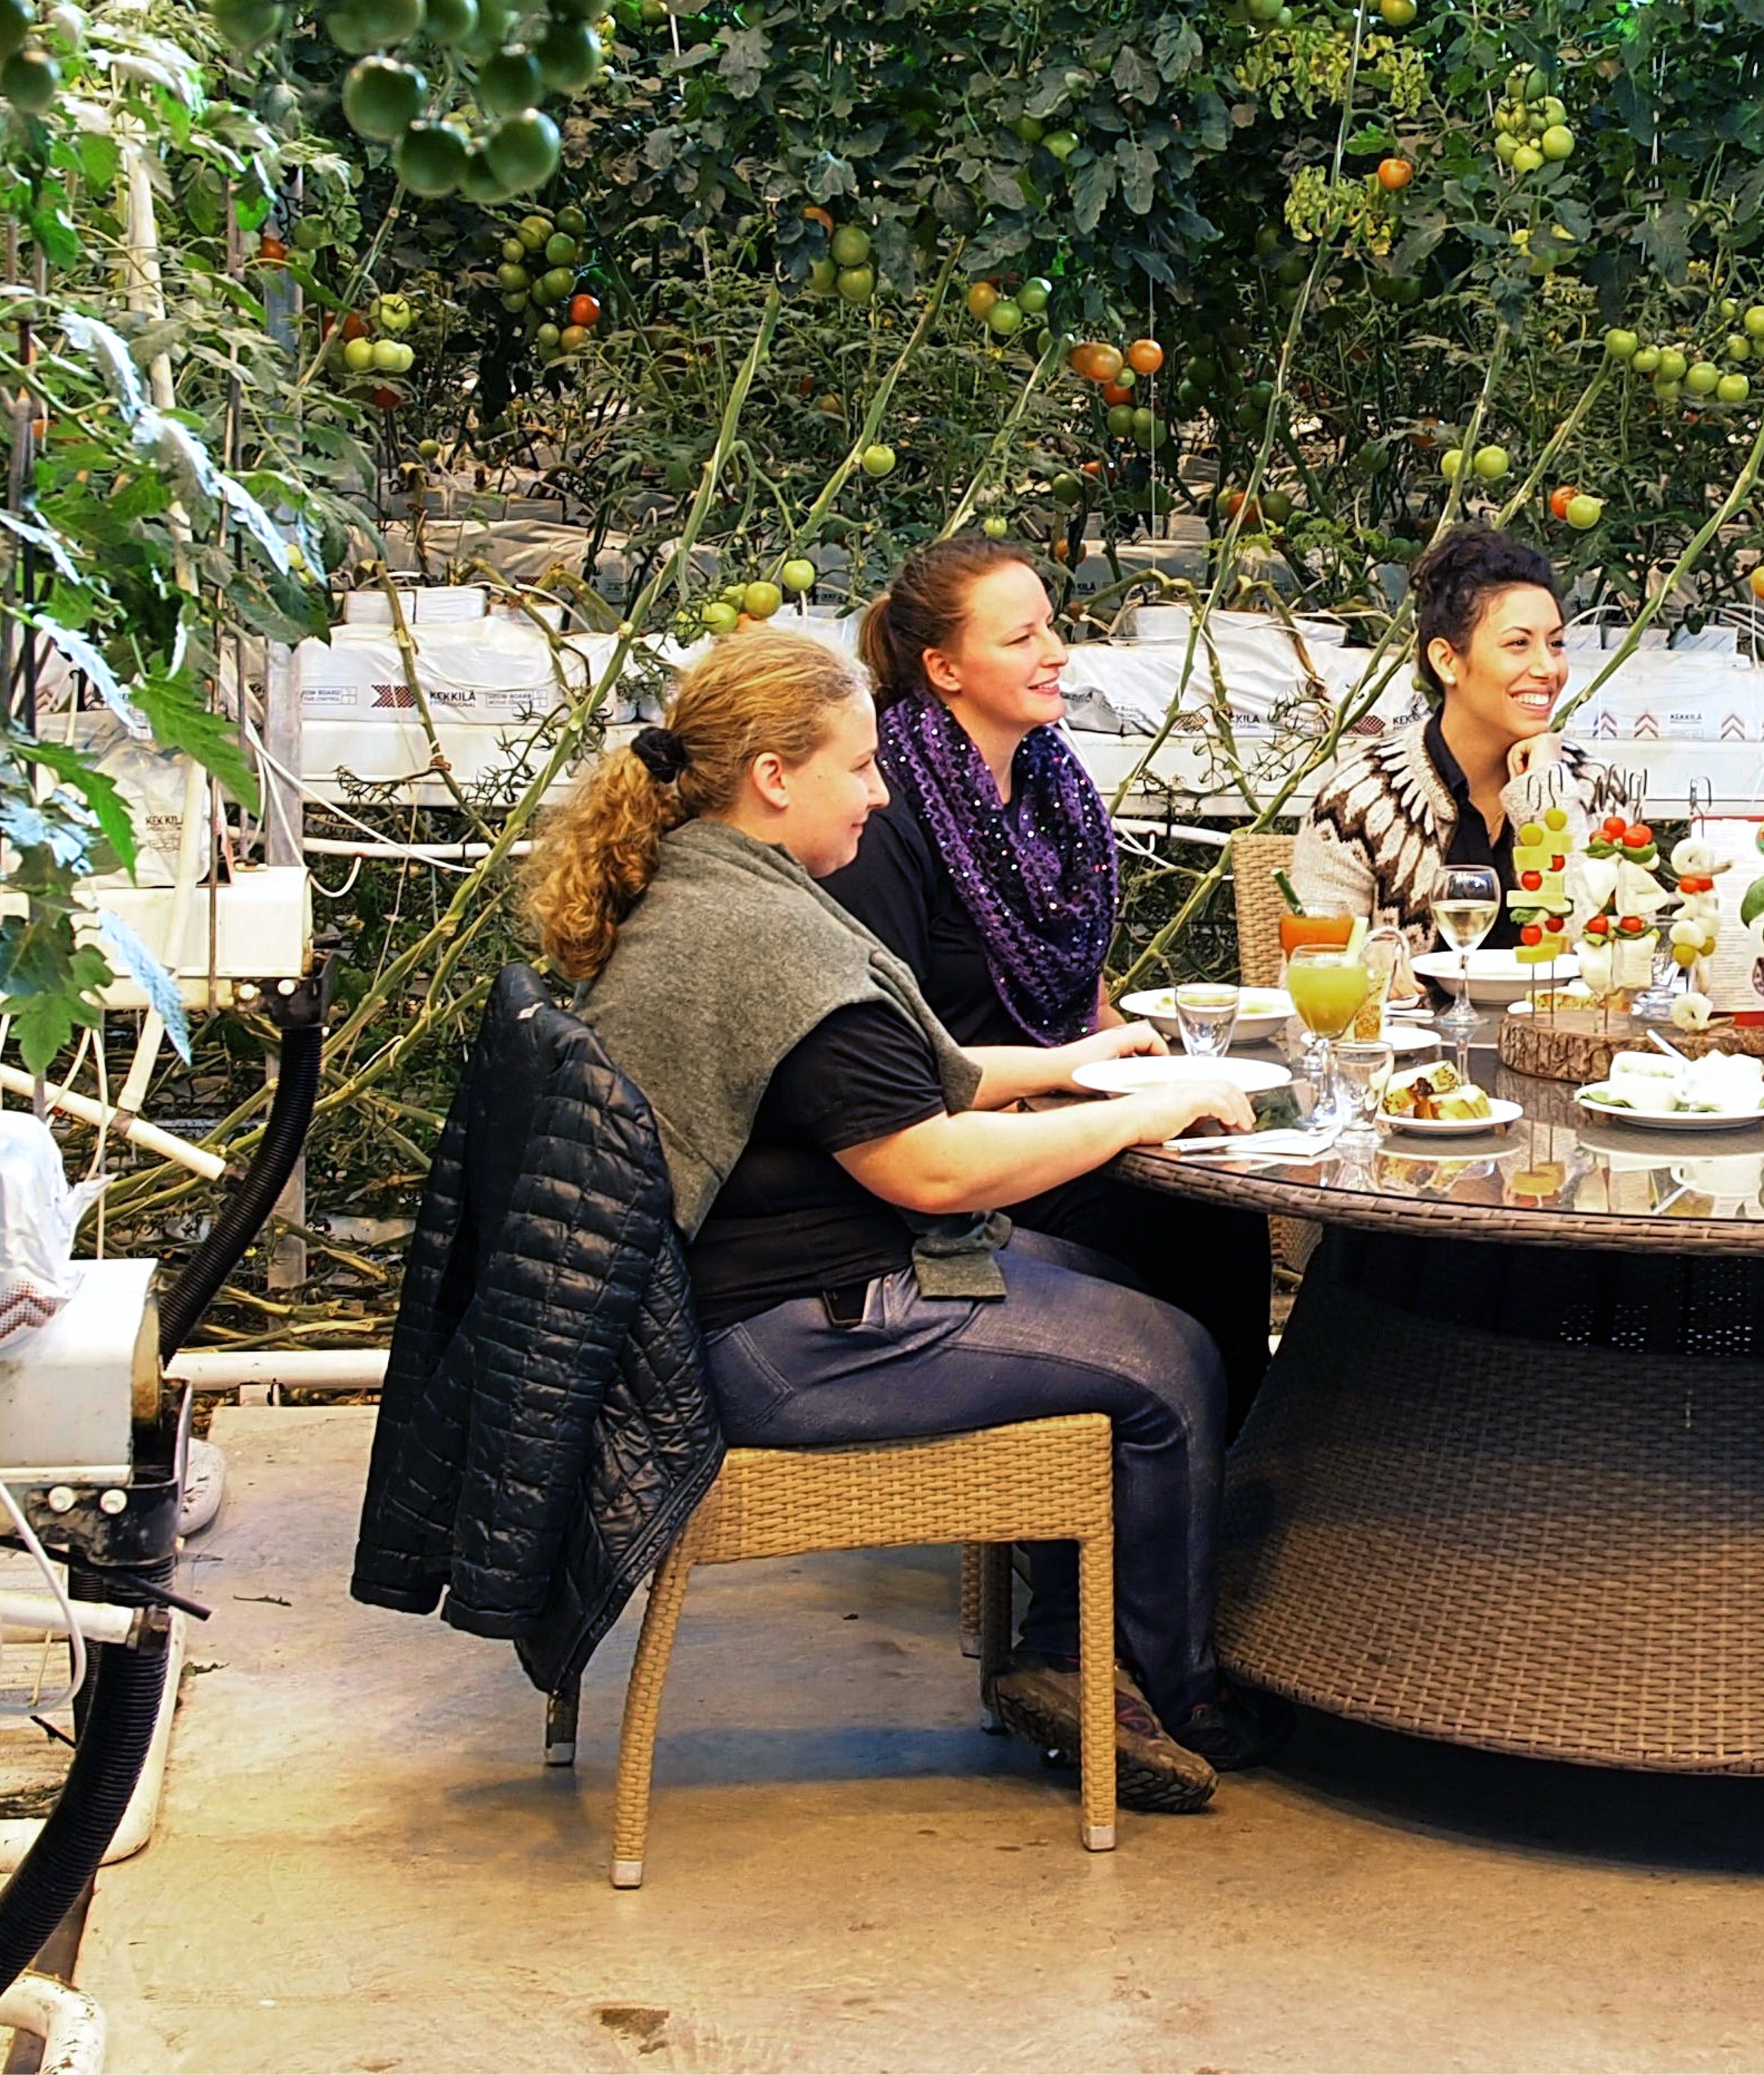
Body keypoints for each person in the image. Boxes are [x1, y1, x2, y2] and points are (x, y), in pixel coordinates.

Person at [528, 625, 1272, 1815]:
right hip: (777, 1342)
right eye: (861, 765)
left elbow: (880, 1082)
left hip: (753, 1297)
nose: (881, 792)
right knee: (1169, 1358)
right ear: (775, 776)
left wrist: (1073, 1065)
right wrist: (1143, 1117)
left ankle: (1071, 1649)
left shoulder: (712, 887)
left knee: (1131, 1283)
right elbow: (930, 1169)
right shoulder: (766, 938)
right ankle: (1157, 1690)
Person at [826, 540, 1281, 1417]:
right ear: (944, 668)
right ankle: (1183, 1474)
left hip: (1054, 1103)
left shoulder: (1048, 782)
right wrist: (1086, 1092)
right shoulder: (880, 813)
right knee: (1186, 1226)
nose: (1056, 653)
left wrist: (1125, 1063)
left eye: (1053, 627)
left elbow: (1079, 974)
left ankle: (1246, 1458)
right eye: (1022, 637)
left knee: (1218, 1187)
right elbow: (886, 1055)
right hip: (953, 1146)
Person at [1292, 525, 1631, 940]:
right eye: (1519, 644)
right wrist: (1377, 969)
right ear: (1447, 661)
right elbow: (1310, 971)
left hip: (1557, 1009)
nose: (1548, 668)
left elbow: (1610, 952)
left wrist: (1544, 799)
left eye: (1556, 643)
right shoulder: (1360, 799)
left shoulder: (1595, 789)